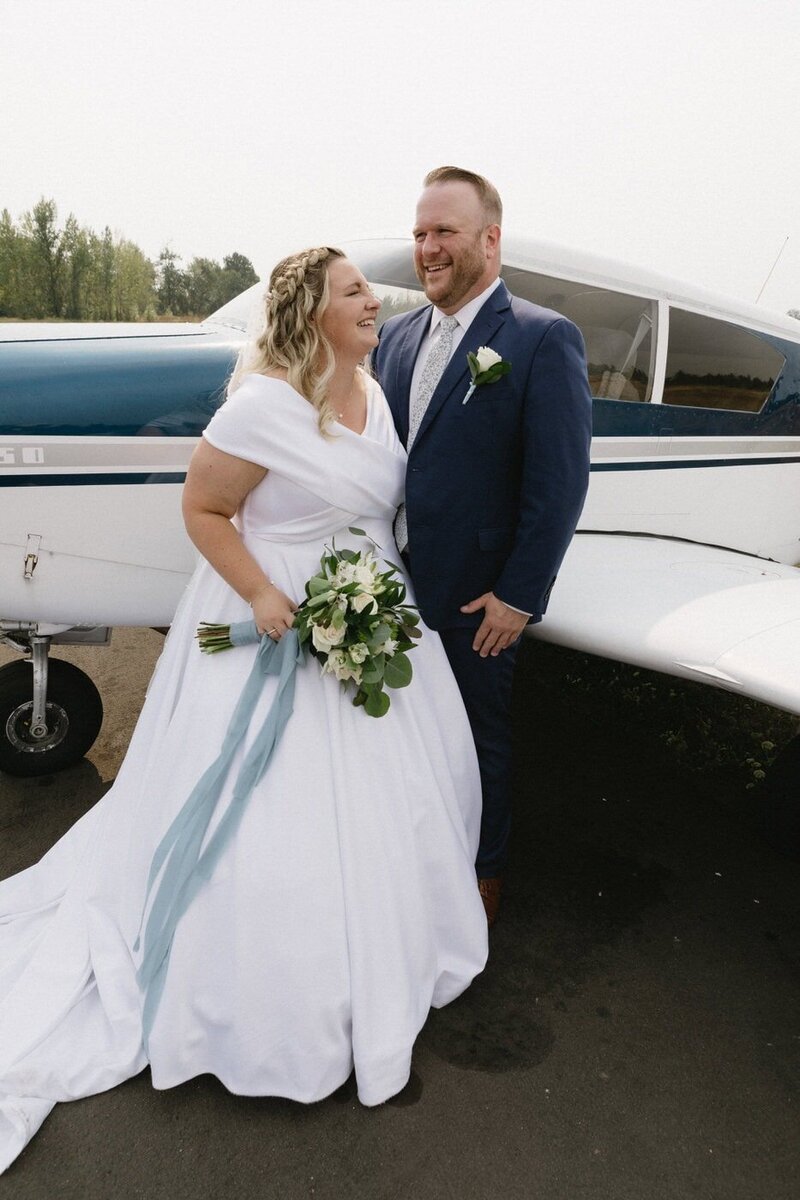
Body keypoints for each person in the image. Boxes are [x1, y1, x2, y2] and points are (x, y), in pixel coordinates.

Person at [0, 247, 488, 1175]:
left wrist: (368, 603)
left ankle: (387, 960)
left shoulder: (372, 395)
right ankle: (257, 998)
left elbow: (376, 515)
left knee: (397, 801)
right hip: (265, 617)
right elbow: (205, 509)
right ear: (312, 314)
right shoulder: (262, 403)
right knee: (265, 815)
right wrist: (266, 596)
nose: (372, 305)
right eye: (354, 295)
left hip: (365, 614)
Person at [373, 167, 593, 926]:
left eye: (446, 233)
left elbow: (557, 483)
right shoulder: (396, 337)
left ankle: (482, 877)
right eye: (421, 234)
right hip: (392, 588)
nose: (428, 249)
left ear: (490, 240)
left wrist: (520, 595)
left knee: (476, 740)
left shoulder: (540, 338)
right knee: (401, 736)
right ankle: (412, 865)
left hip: (478, 599)